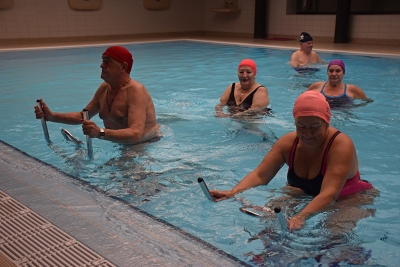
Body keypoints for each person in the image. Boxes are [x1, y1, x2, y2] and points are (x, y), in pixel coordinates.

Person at [210, 91, 375, 230]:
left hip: (349, 198)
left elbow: (329, 194)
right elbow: (261, 175)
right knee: (271, 217)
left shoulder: (340, 145)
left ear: (327, 122)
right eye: (301, 126)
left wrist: (301, 216)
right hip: (303, 193)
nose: (307, 134)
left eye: (314, 127)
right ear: (295, 122)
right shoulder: (288, 143)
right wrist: (233, 191)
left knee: (334, 233)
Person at [35, 46, 160, 145]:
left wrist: (99, 132)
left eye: (107, 61)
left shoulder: (135, 91)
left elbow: (136, 134)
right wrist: (51, 116)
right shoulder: (105, 88)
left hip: (145, 143)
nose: (101, 65)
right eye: (102, 61)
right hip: (122, 144)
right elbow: (82, 116)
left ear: (123, 66)